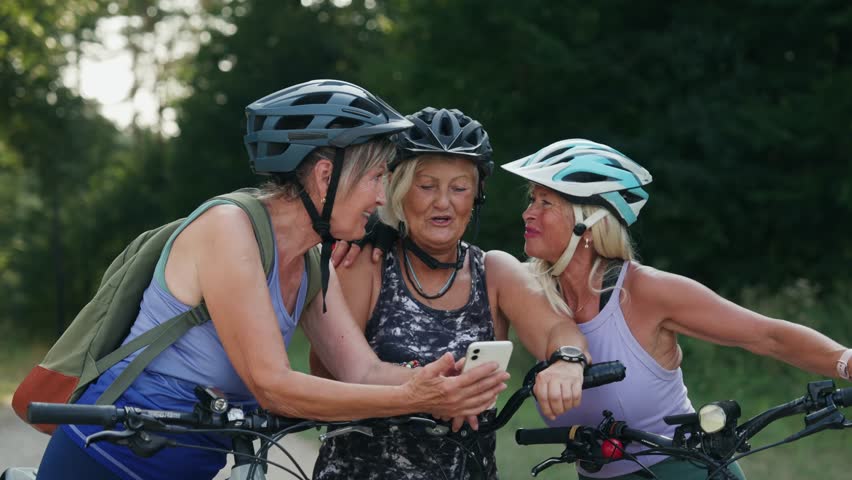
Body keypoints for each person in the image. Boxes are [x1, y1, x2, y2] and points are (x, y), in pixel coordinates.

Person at [35, 80, 509, 480]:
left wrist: (430, 379)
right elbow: (272, 385)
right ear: (326, 177)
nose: (384, 196)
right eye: (378, 177)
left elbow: (362, 371)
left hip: (186, 466)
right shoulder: (229, 230)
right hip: (104, 457)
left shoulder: (311, 262)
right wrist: (412, 397)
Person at [501, 138, 852, 480]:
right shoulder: (533, 296)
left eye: (545, 202)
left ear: (588, 223)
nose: (527, 213)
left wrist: (845, 362)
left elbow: (767, 336)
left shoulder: (646, 291)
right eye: (532, 199)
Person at [310, 107, 592, 480]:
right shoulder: (367, 262)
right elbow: (328, 372)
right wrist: (424, 384)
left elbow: (559, 330)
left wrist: (567, 361)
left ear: (476, 196)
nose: (443, 202)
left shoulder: (494, 272)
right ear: (399, 189)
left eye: (459, 188)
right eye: (427, 186)